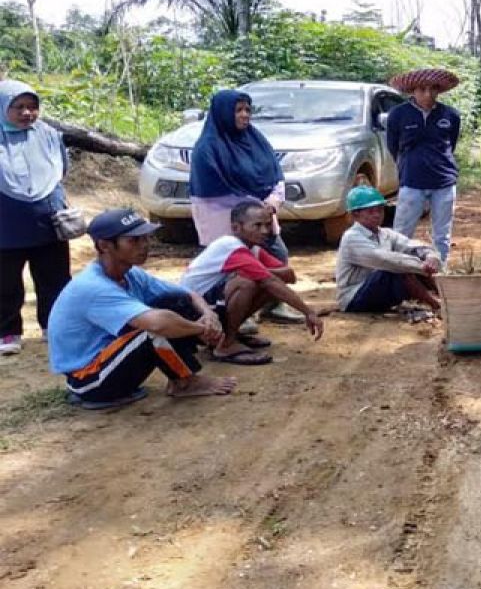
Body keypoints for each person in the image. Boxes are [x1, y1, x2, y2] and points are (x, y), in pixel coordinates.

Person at [46, 208, 236, 409]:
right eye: (134, 240)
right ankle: (185, 382)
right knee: (151, 331)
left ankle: (182, 375)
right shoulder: (94, 286)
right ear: (104, 246)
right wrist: (201, 328)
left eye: (145, 238)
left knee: (176, 302)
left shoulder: (131, 273)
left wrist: (208, 314)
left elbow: (188, 293)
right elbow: (157, 324)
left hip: (110, 360)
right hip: (89, 380)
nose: (144, 245)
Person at [189, 89, 301, 325]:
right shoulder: (207, 148)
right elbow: (213, 189)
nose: (244, 115)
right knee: (231, 270)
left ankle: (273, 306)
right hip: (224, 219)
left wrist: (273, 201)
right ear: (223, 113)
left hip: (262, 215)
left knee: (277, 254)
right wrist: (255, 206)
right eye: (238, 110)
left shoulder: (255, 140)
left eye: (248, 110)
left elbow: (275, 174)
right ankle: (230, 314)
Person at [179, 200, 324, 364]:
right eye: (257, 225)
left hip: (208, 306)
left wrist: (260, 272)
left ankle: (230, 334)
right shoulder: (231, 246)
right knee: (247, 283)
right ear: (236, 228)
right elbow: (272, 281)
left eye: (267, 225)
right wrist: (308, 312)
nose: (265, 231)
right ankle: (226, 344)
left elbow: (289, 275)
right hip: (193, 311)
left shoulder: (252, 248)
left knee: (259, 281)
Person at [0, 80, 72, 356]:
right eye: (18, 107)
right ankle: (8, 331)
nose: (27, 113)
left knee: (54, 277)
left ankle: (53, 325)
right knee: (5, 281)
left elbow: (61, 169)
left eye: (32, 107)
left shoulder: (49, 135)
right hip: (6, 221)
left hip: (47, 217)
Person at [385, 68, 462, 262]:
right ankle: (398, 273)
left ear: (439, 91)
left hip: (444, 182)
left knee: (442, 235)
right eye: (422, 89)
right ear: (413, 90)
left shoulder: (451, 115)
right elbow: (393, 147)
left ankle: (438, 274)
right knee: (401, 233)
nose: (428, 94)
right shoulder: (398, 114)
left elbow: (450, 145)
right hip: (411, 182)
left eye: (432, 89)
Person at [336, 185, 442, 313]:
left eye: (380, 210)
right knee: (398, 267)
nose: (377, 215)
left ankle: (445, 296)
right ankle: (437, 305)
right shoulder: (351, 238)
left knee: (412, 262)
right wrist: (422, 267)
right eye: (370, 211)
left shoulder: (385, 233)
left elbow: (413, 246)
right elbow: (384, 260)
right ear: (355, 214)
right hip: (354, 298)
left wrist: (431, 257)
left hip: (377, 290)